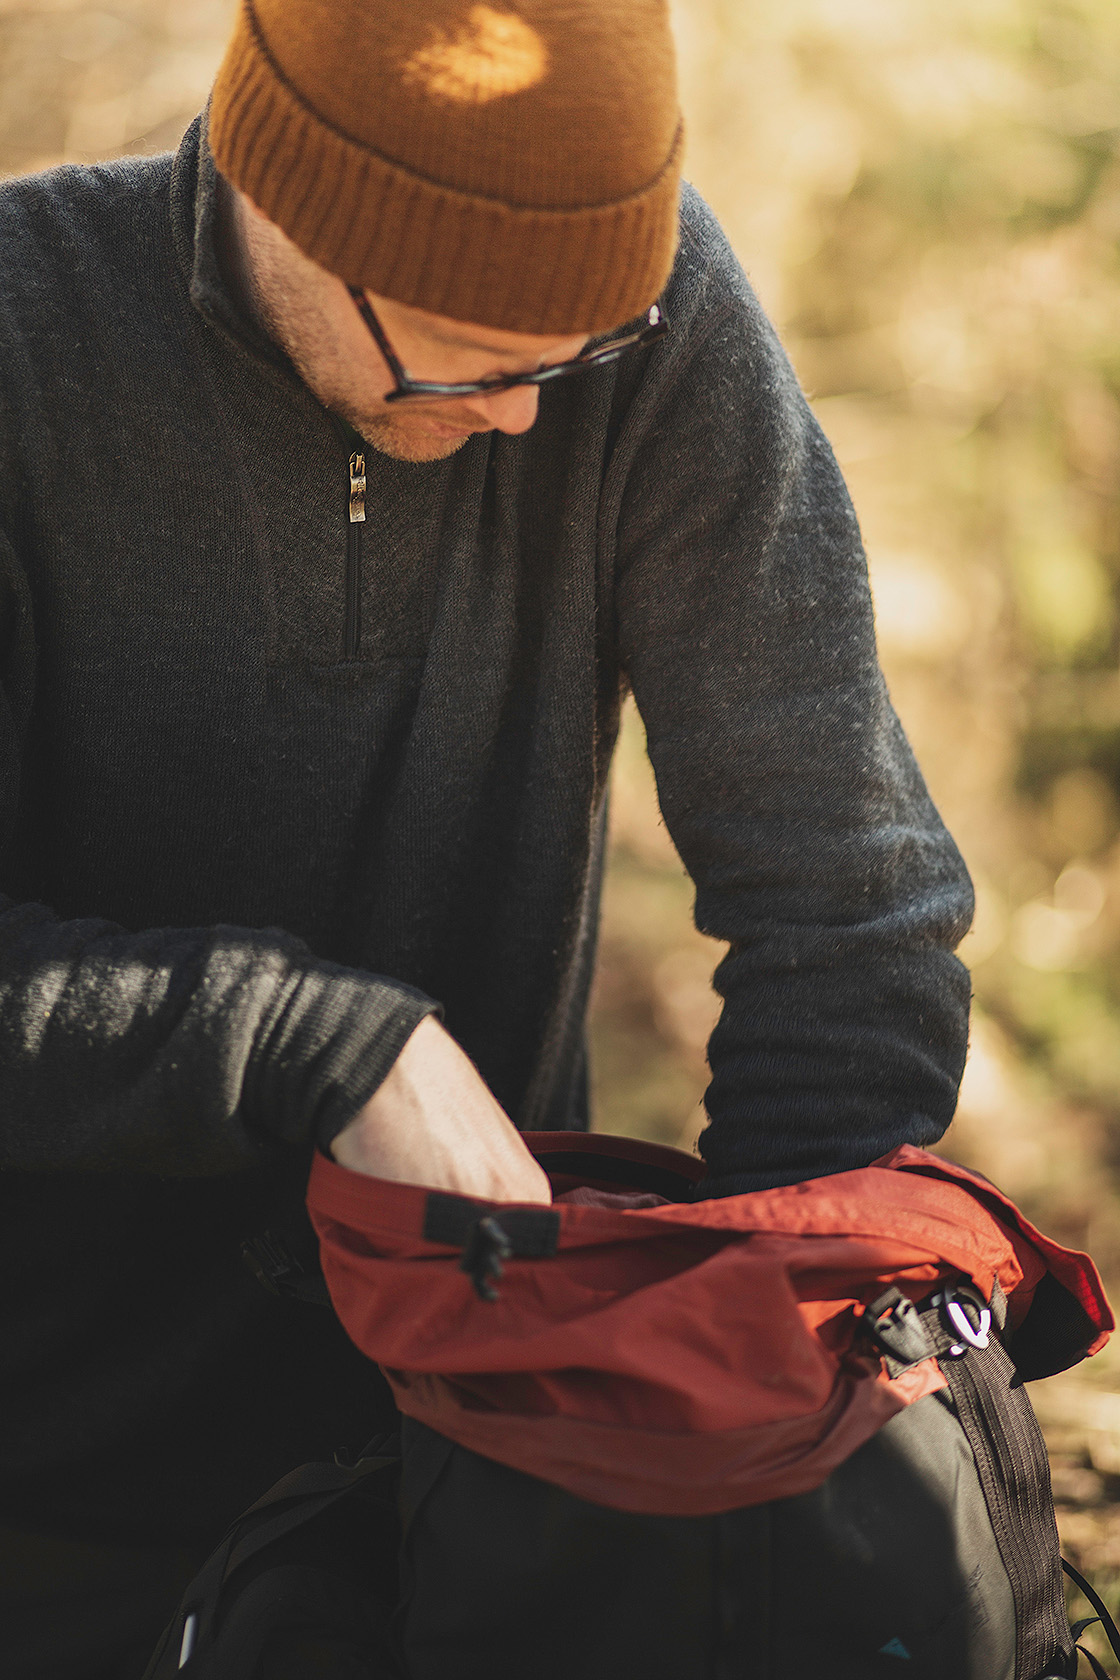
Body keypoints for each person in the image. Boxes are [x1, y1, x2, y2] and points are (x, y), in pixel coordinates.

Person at [0, 0, 974, 1672]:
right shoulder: (23, 338)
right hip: (48, 1485)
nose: (530, 420)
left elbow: (846, 906)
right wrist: (313, 1042)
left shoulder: (646, 328)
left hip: (495, 1487)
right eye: (472, 354)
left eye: (572, 357)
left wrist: (742, 1442)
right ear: (290, 197)